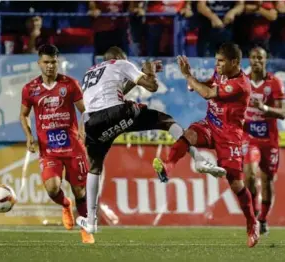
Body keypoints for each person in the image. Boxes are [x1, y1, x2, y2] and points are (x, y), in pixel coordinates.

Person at [76, 46, 225, 234]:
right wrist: (150, 73)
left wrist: (143, 73)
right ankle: (198, 159)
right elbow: (152, 86)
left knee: (94, 167)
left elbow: (117, 90)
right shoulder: (121, 63)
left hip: (93, 123)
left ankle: (91, 221)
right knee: (165, 120)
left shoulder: (89, 73)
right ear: (119, 57)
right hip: (117, 112)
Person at [152, 43, 260, 247]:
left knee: (236, 183)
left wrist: (188, 77)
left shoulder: (241, 84)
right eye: (216, 60)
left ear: (234, 63)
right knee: (189, 134)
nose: (217, 65)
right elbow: (210, 84)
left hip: (229, 136)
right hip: (211, 124)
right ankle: (168, 166)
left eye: (221, 61)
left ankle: (252, 223)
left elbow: (210, 94)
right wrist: (196, 81)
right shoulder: (220, 73)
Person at [19, 44, 94, 244]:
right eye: (46, 62)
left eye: (53, 62)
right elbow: (24, 115)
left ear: (57, 62)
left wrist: (84, 129)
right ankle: (65, 204)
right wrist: (29, 136)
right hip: (48, 149)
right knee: (52, 188)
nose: (50, 66)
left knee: (80, 191)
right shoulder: (30, 89)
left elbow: (84, 111)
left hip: (72, 147)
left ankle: (85, 228)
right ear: (39, 63)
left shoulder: (70, 84)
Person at [243, 47, 285, 236]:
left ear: (265, 60)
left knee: (267, 181)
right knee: (250, 175)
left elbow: (283, 113)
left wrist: (264, 108)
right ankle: (253, 216)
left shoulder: (274, 83)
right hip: (249, 138)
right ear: (249, 60)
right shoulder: (241, 81)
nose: (256, 61)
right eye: (253, 57)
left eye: (260, 57)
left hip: (269, 139)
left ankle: (263, 219)